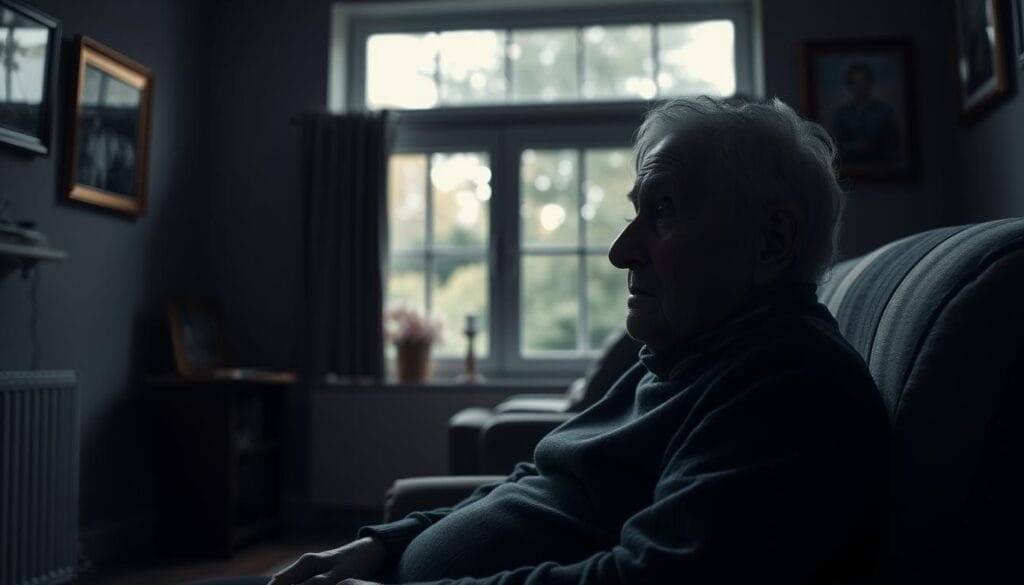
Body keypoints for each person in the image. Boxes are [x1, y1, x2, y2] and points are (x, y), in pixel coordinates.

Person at [194, 96, 889, 585]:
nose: (621, 251)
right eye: (633, 214)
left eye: (665, 212)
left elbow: (650, 579)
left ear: (772, 241)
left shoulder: (788, 389)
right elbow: (541, 482)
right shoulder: (685, 357)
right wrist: (381, 546)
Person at [831, 63, 901, 165]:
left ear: (870, 83)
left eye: (863, 81)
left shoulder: (884, 111)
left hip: (882, 164)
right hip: (851, 165)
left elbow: (894, 142)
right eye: (855, 82)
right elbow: (835, 144)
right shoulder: (842, 114)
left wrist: (874, 145)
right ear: (850, 86)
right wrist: (853, 146)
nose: (860, 86)